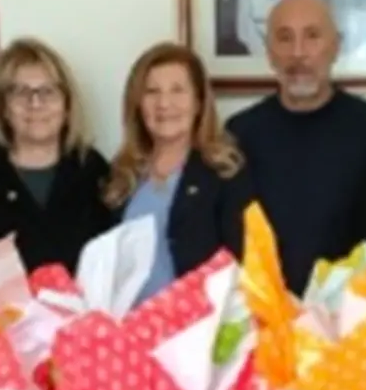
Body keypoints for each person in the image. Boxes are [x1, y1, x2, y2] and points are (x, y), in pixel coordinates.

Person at [226, 0, 366, 294]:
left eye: (312, 36)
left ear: (336, 47)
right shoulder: (240, 133)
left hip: (352, 310)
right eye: (285, 38)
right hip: (265, 308)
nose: (298, 53)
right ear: (269, 52)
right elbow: (233, 239)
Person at [103, 42, 254, 305]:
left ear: (198, 102)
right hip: (126, 325)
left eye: (178, 90)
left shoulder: (225, 173)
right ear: (137, 104)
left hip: (199, 325)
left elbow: (243, 265)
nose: (164, 103)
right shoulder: (121, 176)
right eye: (152, 92)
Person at [0, 37, 115, 272]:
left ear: (67, 105)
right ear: (3, 107)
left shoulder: (91, 169)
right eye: (21, 92)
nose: (35, 103)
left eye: (48, 92)